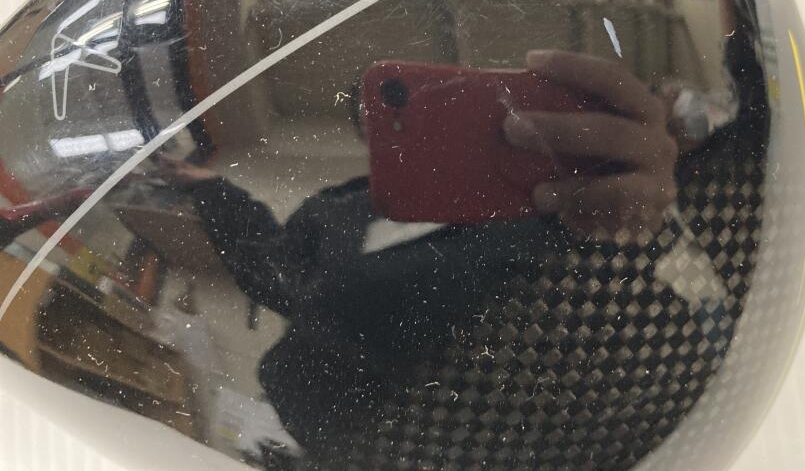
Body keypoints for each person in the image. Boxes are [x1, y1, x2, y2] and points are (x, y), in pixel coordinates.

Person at [157, 49, 680, 452]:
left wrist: (651, 198)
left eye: (431, 108)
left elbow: (613, 301)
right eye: (372, 120)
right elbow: (272, 266)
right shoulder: (337, 207)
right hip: (325, 427)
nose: (392, 130)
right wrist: (211, 189)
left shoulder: (544, 204)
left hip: (472, 442)